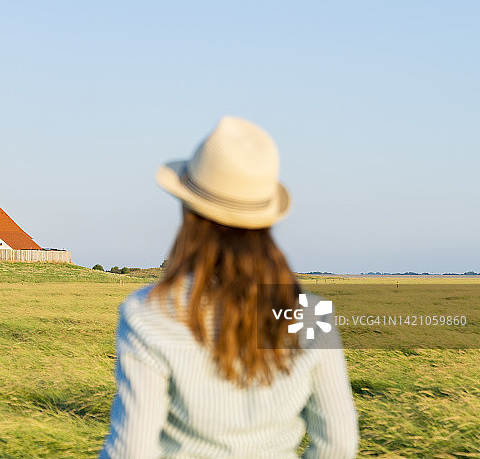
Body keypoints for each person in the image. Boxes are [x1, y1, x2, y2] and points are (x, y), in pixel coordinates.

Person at [100, 116, 358, 458]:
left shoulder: (147, 315)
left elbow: (131, 452)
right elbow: (339, 444)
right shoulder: (311, 315)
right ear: (266, 219)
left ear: (189, 213)